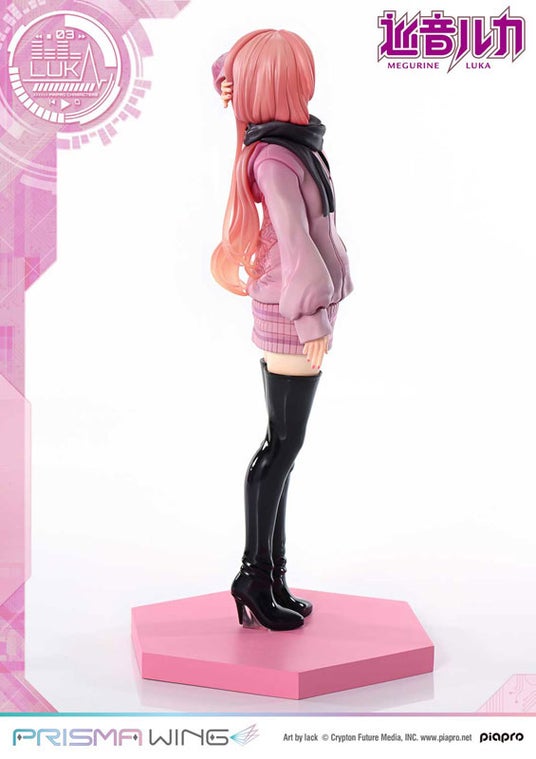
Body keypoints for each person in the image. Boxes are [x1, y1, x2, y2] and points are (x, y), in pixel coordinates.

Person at [212, 29, 353, 630]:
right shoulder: (274, 156)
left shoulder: (289, 141)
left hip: (301, 306)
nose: (308, 83)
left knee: (284, 445)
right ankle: (254, 574)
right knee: (282, 447)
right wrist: (311, 315)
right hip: (292, 309)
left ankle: (272, 577)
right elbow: (295, 242)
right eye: (298, 73)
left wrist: (226, 73)